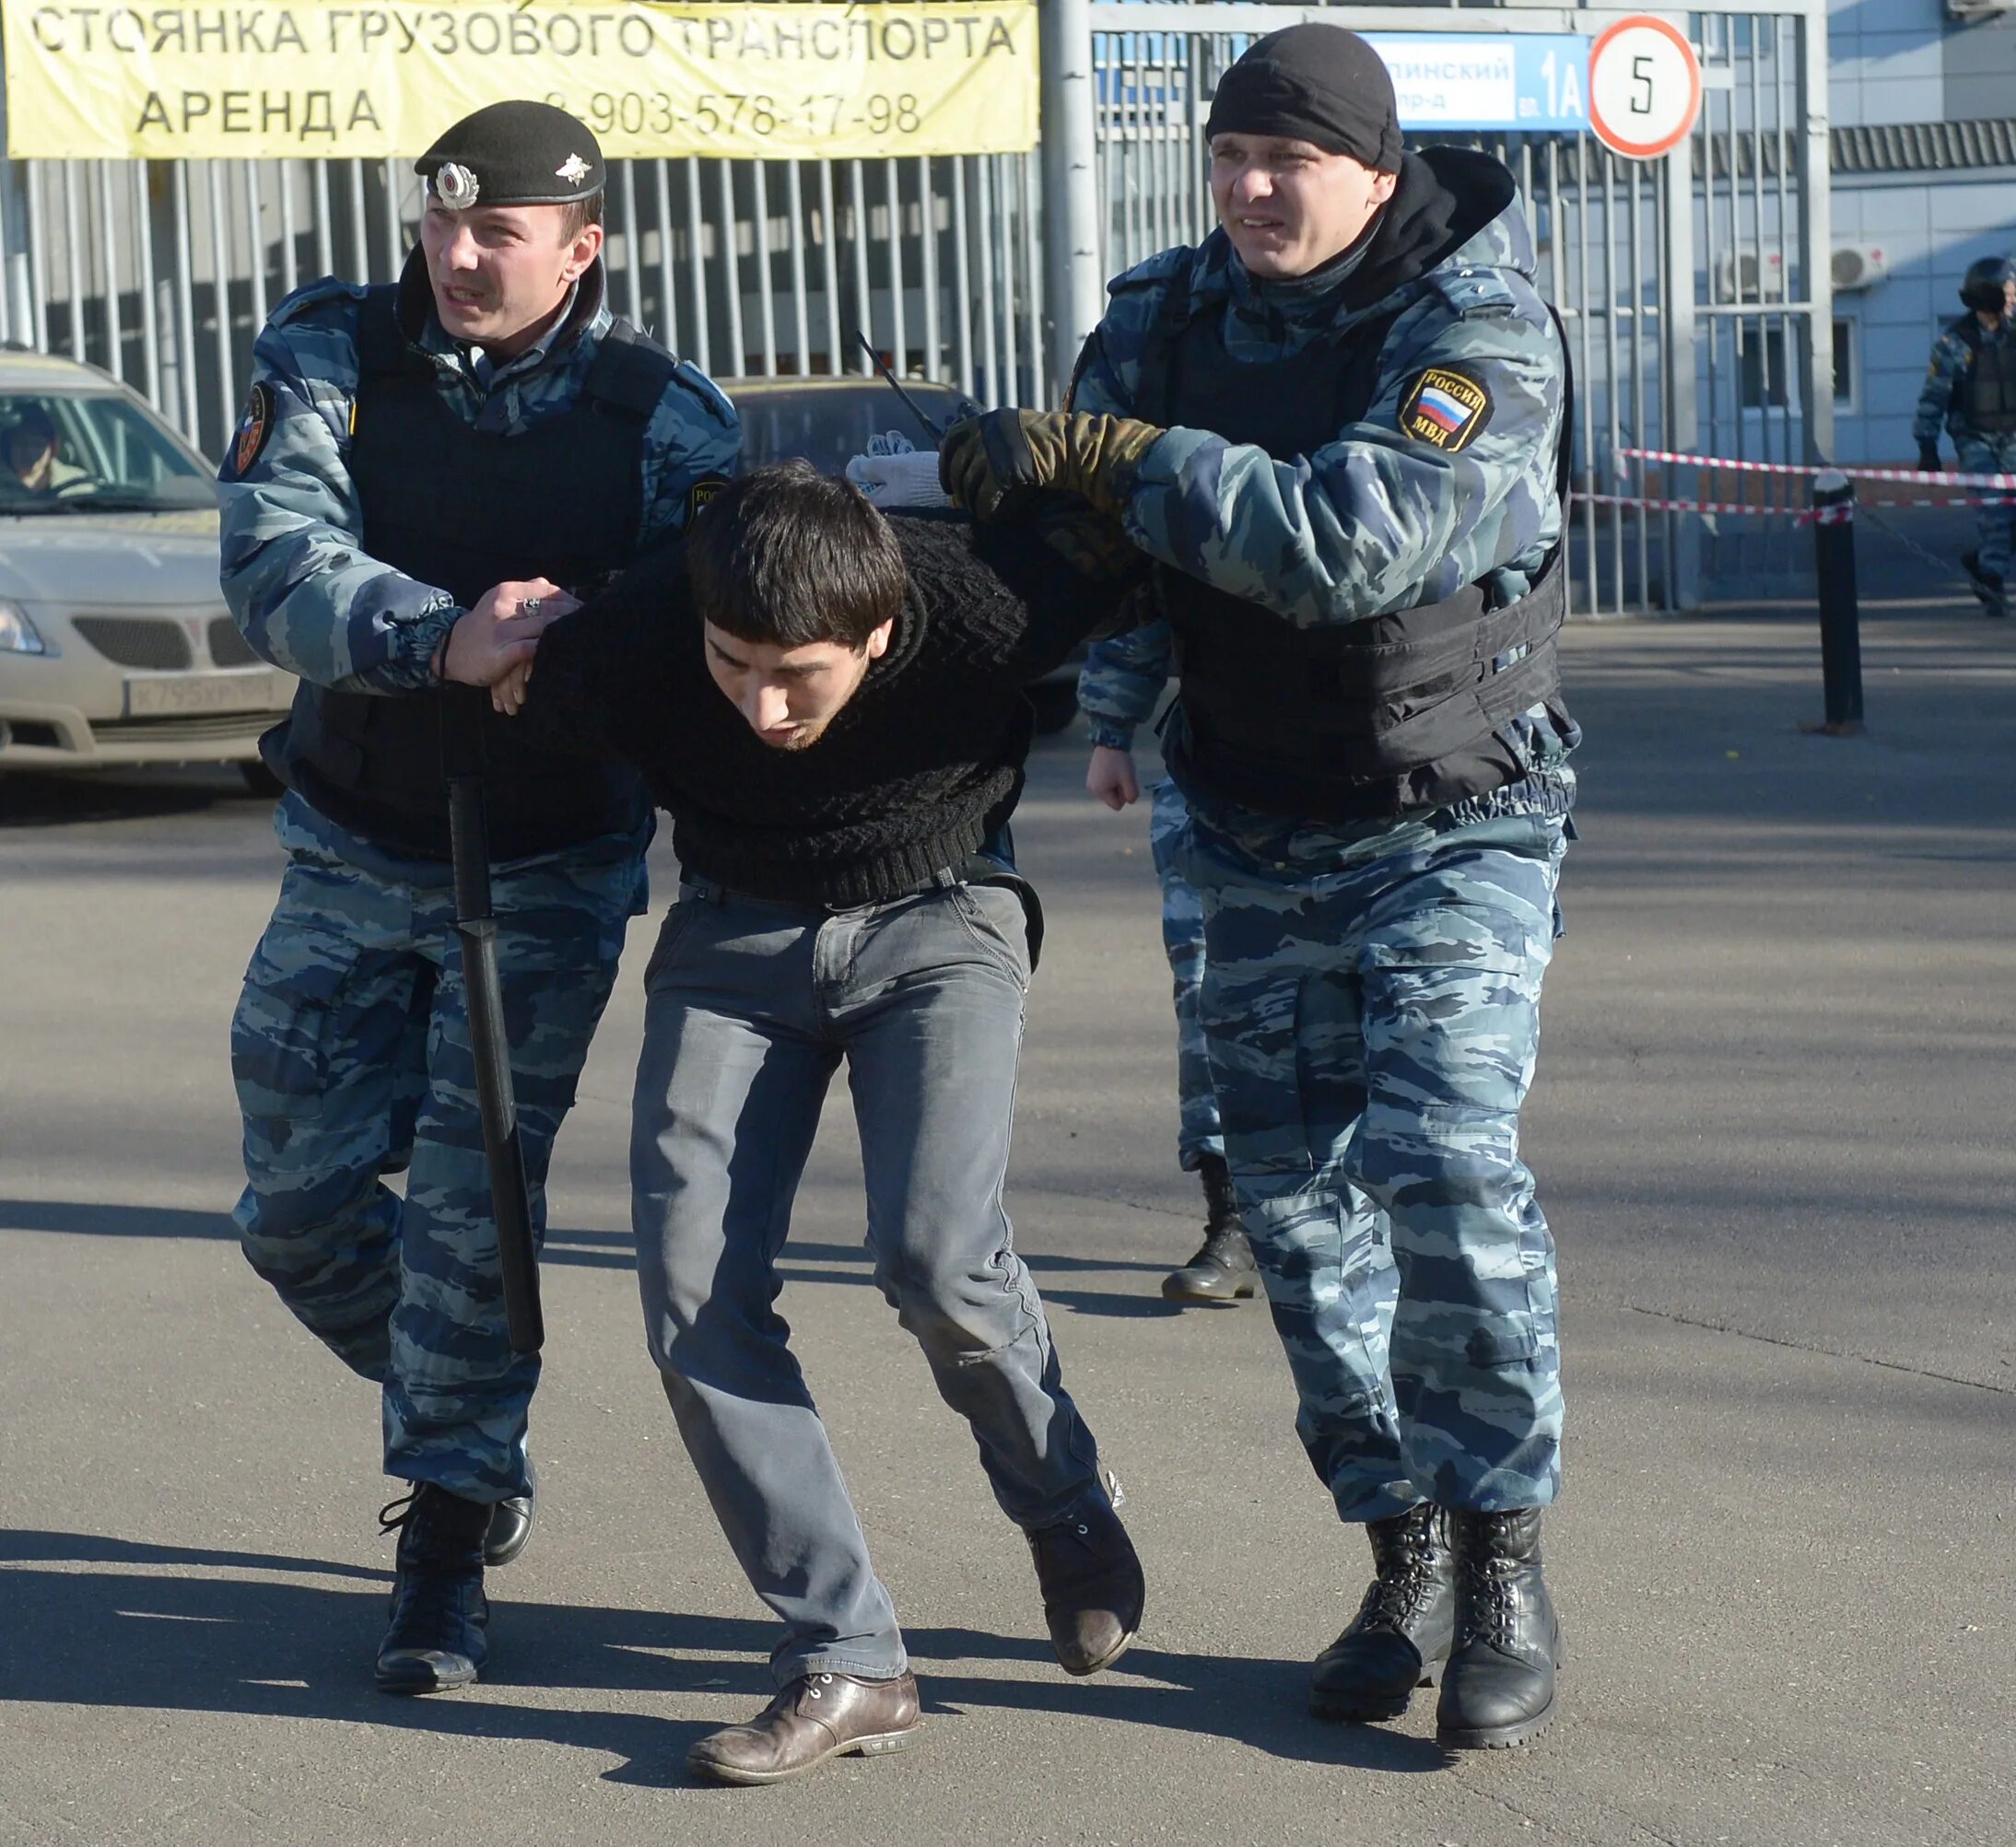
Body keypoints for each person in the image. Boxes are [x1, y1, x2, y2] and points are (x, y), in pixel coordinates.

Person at [939, 23, 1576, 1749]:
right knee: (1295, 1223)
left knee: (1444, 1158)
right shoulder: (1166, 316)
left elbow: (1351, 541)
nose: (1251, 189)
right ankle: (1403, 1548)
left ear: (1375, 174)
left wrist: (1116, 462)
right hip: (1252, 824)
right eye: (1229, 157)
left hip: (1454, 820)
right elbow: (1085, 554)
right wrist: (961, 545)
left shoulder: (1474, 324)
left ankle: (1506, 1554)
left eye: (1287, 160)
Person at [441, 462, 1150, 1785]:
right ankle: (848, 1654)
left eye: (801, 674)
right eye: (735, 663)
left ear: (879, 636)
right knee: (689, 1293)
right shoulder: (643, 636)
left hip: (940, 919)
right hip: (733, 937)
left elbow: (1168, 557)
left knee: (934, 1253)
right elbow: (485, 698)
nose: (762, 704)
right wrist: (485, 648)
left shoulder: (987, 605)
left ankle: (1062, 1505)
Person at [216, 100, 740, 1694]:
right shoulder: (327, 352)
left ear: (583, 249)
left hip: (550, 872)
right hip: (353, 837)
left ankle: (450, 1522)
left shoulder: (668, 420)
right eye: (438, 224)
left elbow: (709, 645)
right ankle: (457, 1395)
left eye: (495, 234)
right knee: (296, 1212)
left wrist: (575, 648)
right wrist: (442, 634)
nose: (454, 257)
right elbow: (270, 559)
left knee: (466, 1206)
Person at [1076, 620, 1255, 1304]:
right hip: (1216, 764)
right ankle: (1235, 1220)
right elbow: (1155, 577)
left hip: (1380, 771)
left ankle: (1354, 1221)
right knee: (1208, 995)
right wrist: (1110, 726)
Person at [1915, 255, 2016, 617]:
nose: (2015, 300)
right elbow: (1934, 397)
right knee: (1995, 513)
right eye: (2010, 293)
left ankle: (1981, 562)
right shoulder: (1953, 343)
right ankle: (1993, 585)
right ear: (1989, 294)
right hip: (1973, 440)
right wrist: (1927, 446)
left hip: (2012, 442)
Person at [0, 404, 85, 497]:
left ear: (52, 448)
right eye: (21, 444)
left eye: (37, 445)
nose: (29, 453)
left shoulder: (79, 485)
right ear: (7, 447)